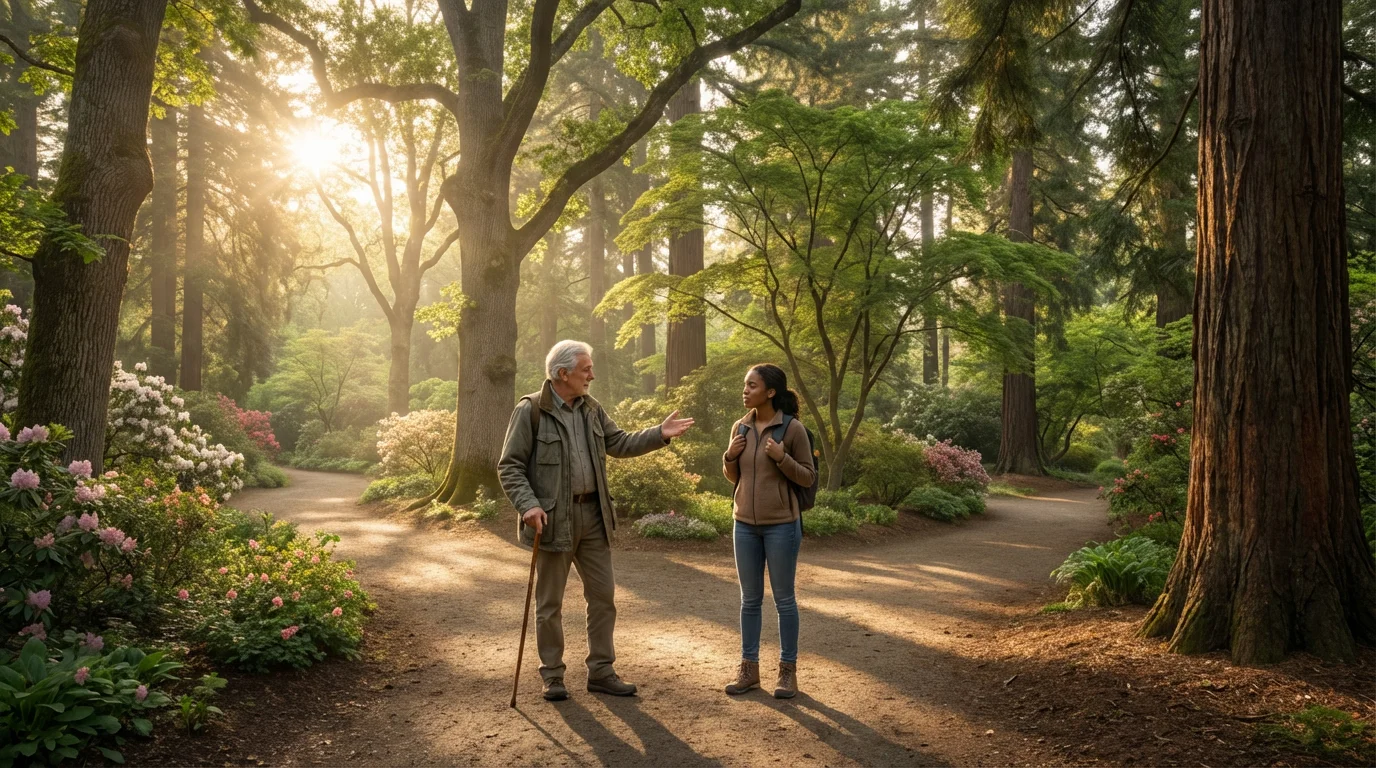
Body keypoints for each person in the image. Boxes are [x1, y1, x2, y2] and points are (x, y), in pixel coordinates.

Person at [498, 340, 694, 702]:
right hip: (552, 521)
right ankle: (552, 676)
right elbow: (509, 466)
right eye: (586, 369)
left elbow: (618, 443)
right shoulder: (530, 411)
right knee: (549, 604)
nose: (592, 375)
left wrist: (658, 434)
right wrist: (528, 506)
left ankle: (601, 672)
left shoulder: (591, 408)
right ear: (563, 373)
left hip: (594, 517)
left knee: (603, 598)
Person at [721, 363, 815, 699]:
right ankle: (749, 670)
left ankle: (787, 673)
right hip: (743, 525)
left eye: (751, 385)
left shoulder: (792, 430)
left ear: (770, 392)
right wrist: (729, 456)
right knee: (750, 600)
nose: (745, 390)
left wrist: (781, 457)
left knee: (785, 600)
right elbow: (736, 478)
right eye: (744, 385)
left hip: (782, 527)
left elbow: (807, 477)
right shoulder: (741, 427)